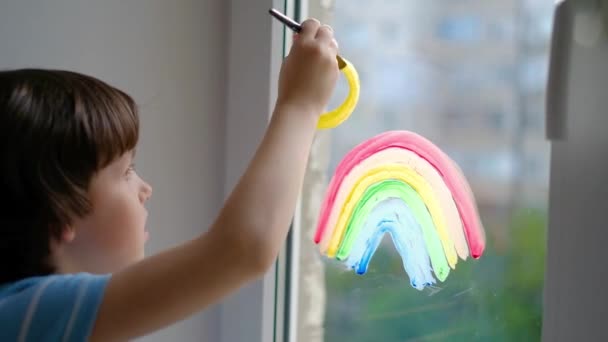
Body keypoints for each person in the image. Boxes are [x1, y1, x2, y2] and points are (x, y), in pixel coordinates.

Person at [0, 19, 339, 341]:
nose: (145, 190)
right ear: (59, 214)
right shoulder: (22, 318)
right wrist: (300, 104)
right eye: (126, 172)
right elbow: (241, 249)